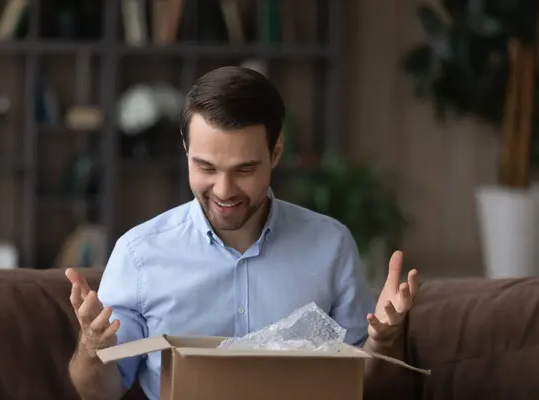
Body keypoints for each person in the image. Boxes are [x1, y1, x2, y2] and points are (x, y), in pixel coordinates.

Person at [66, 66, 418, 400]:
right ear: (186, 150)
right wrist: (91, 348)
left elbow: (362, 384)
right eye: (205, 167)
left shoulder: (331, 246)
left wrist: (384, 341)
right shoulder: (138, 255)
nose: (224, 190)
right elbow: (98, 392)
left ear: (275, 152)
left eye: (244, 169)